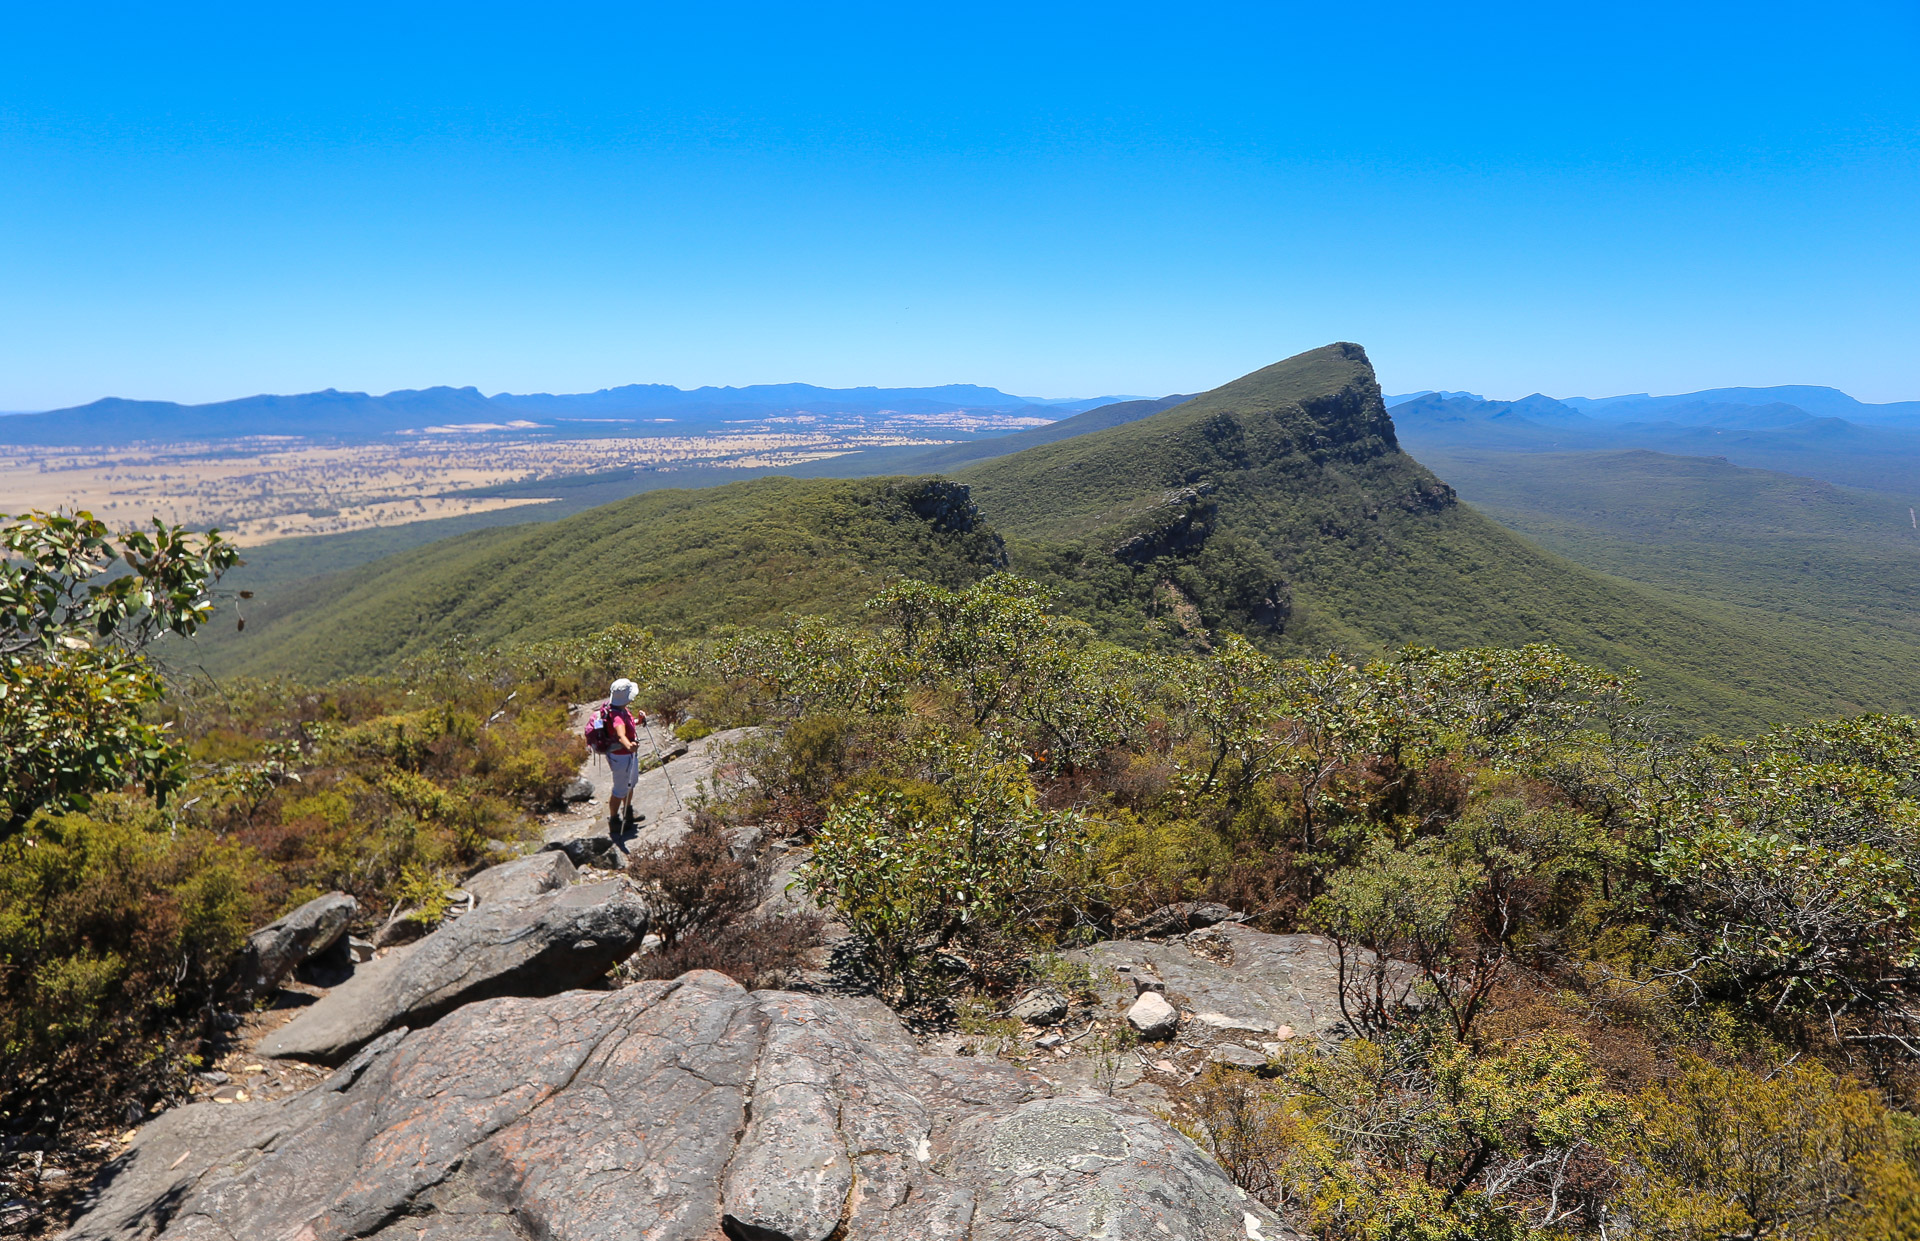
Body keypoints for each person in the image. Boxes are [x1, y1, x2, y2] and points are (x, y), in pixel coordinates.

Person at [604, 678, 647, 835]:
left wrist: (638, 721)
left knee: (629, 784)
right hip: (621, 757)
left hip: (625, 756)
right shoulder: (617, 716)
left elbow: (627, 726)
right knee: (619, 789)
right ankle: (614, 820)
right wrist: (629, 746)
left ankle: (628, 812)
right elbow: (621, 733)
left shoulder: (620, 709)